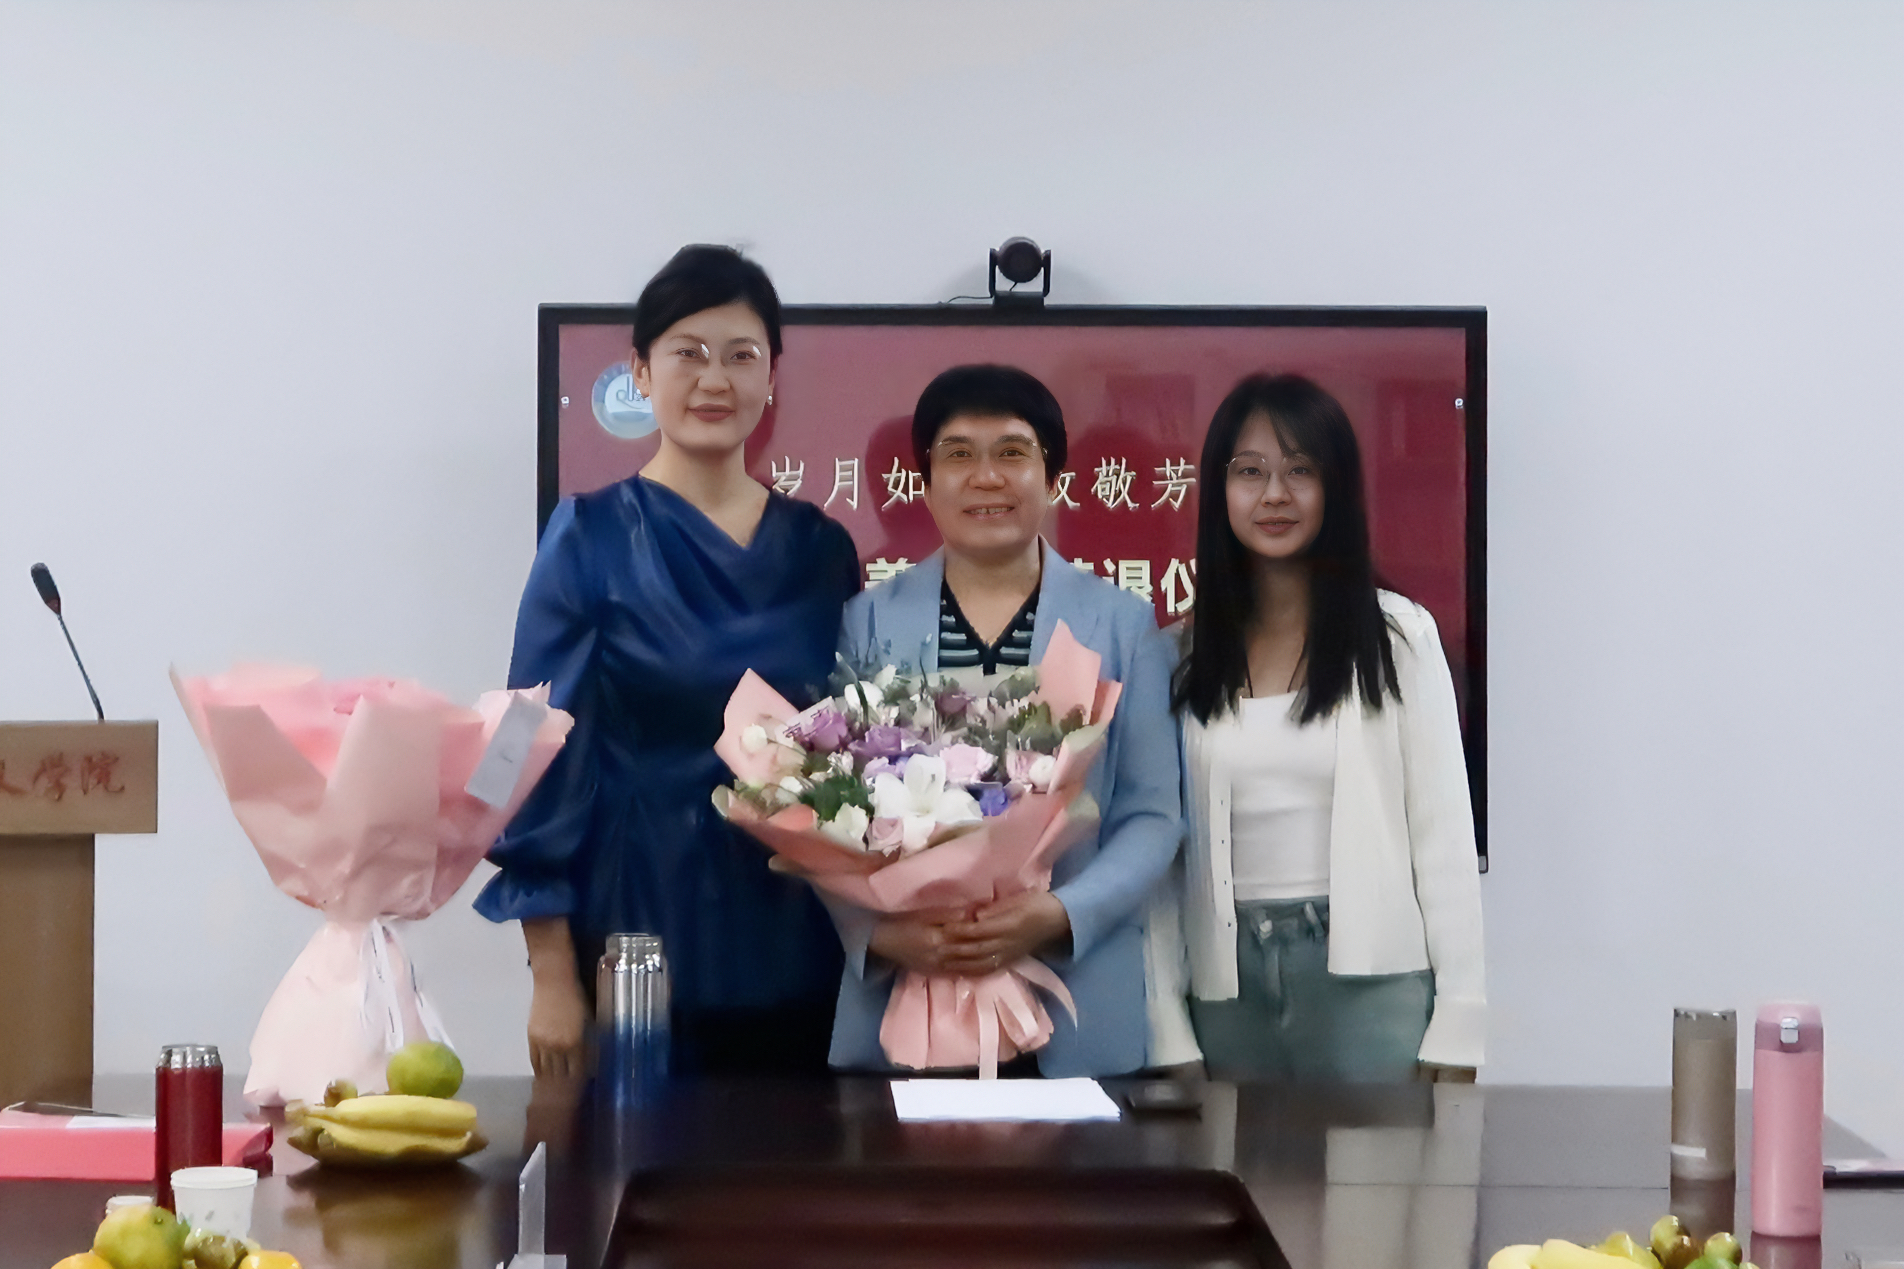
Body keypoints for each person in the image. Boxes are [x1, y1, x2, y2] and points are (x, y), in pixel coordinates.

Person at [476, 245, 861, 1078]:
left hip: (800, 941)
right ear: (641, 373)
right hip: (637, 943)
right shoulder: (588, 535)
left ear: (771, 379)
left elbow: (858, 746)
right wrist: (550, 972)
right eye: (688, 353)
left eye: (741, 356)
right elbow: (520, 748)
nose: (714, 378)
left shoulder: (821, 550)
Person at [830, 364, 1193, 1077]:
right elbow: (825, 807)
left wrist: (1059, 914)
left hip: (1072, 996)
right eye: (958, 454)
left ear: (1053, 477)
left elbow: (1152, 815)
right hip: (910, 995)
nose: (986, 476)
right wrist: (881, 933)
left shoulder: (1121, 624)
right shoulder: (868, 620)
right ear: (923, 481)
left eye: (1012, 452)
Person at [1168, 373, 1484, 1083]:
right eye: (1250, 471)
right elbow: (1164, 862)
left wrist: (1461, 1020)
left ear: (1334, 487)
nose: (1274, 494)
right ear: (1219, 491)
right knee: (1229, 1163)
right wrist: (1167, 1026)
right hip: (1225, 990)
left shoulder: (1397, 635)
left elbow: (1443, 835)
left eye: (1300, 470)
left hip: (1371, 986)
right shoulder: (1181, 654)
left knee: (1382, 1162)